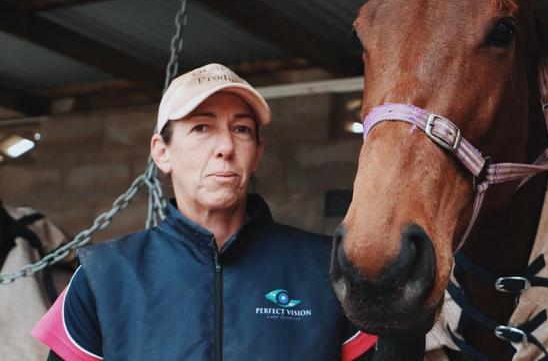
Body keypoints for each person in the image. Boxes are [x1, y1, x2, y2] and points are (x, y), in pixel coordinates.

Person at [31, 63, 377, 361]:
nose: (225, 147)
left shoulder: (326, 268)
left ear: (257, 152)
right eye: (201, 127)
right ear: (161, 152)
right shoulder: (103, 277)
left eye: (241, 129)